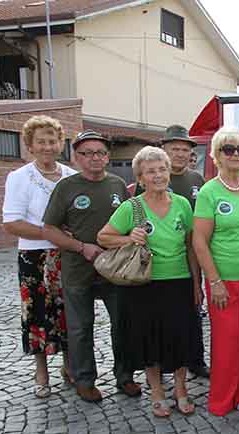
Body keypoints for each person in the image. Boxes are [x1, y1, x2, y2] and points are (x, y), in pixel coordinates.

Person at [97, 147, 200, 417]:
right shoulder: (132, 207)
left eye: (162, 169)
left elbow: (191, 246)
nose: (158, 175)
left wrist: (197, 283)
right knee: (150, 339)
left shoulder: (182, 205)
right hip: (144, 284)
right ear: (140, 178)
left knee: (180, 338)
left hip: (178, 282)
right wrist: (129, 238)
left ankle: (181, 390)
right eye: (151, 171)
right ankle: (156, 392)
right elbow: (103, 237)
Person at [42, 131, 140, 403]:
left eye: (100, 153)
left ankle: (125, 376)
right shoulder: (66, 187)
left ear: (108, 157)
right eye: (87, 153)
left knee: (122, 323)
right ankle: (84, 380)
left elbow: (131, 222)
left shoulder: (118, 185)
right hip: (78, 269)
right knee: (80, 327)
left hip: (116, 269)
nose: (95, 158)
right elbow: (49, 229)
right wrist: (81, 247)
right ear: (77, 157)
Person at [192, 126, 239, 416]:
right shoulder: (209, 191)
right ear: (217, 155)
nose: (236, 155)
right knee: (227, 340)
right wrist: (214, 281)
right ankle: (223, 398)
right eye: (229, 149)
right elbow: (199, 240)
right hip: (224, 278)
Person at [2, 115, 78, 398]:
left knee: (70, 309)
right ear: (30, 146)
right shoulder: (20, 178)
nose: (48, 146)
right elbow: (12, 223)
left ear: (61, 144)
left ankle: (70, 365)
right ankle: (41, 371)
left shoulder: (71, 177)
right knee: (38, 312)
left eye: (53, 141)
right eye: (41, 141)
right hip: (35, 256)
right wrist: (53, 235)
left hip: (68, 255)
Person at [157, 124, 210, 379]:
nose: (179, 154)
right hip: (160, 259)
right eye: (174, 148)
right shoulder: (153, 177)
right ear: (163, 149)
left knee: (195, 305)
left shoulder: (196, 180)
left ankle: (196, 359)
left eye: (184, 149)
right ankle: (162, 362)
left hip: (191, 252)